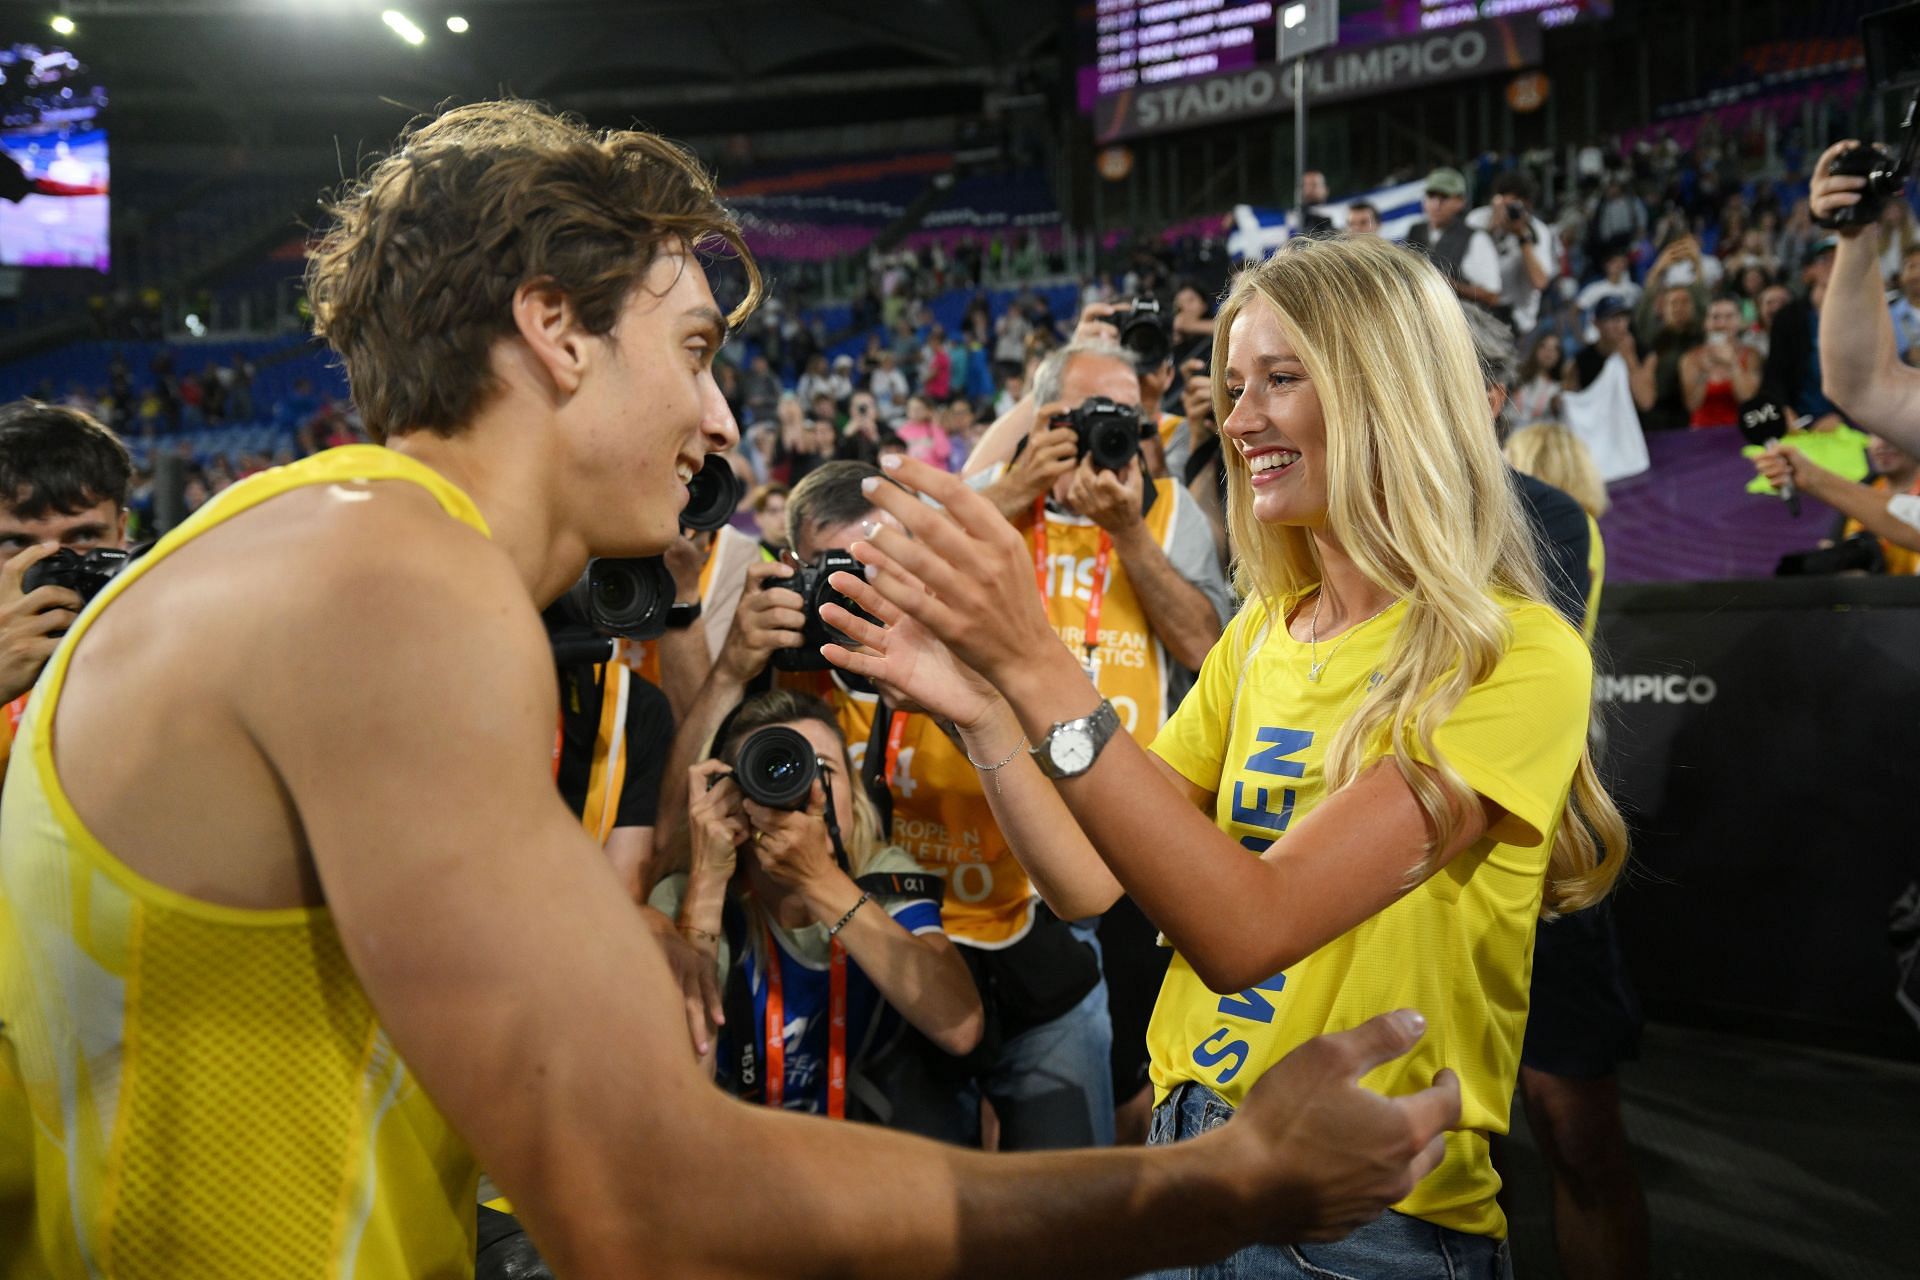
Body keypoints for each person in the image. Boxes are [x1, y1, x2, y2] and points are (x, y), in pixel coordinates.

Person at [0, 100, 1463, 1280]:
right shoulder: (392, 587)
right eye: (694, 349)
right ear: (556, 328)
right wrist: (1215, 1188)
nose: (715, 419)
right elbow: (649, 1207)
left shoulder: (310, 552)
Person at [826, 234, 1629, 1279]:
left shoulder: (1517, 657)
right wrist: (982, 711)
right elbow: (1088, 878)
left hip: (1362, 1224)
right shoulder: (1264, 633)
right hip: (1193, 1163)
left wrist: (1033, 660)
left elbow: (1248, 928)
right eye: (1234, 382)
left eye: (1281, 380)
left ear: (1388, 391)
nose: (1240, 419)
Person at [659, 689, 984, 1114]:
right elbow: (676, 1088)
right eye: (770, 771)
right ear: (729, 798)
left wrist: (818, 880)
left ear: (856, 795)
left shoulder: (883, 877)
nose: (799, 787)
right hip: (732, 1136)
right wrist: (707, 883)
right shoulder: (687, 893)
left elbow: (960, 1026)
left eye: (823, 770)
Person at [0, 402, 132, 748]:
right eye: (15, 542)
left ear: (121, 533)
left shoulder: (178, 640)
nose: (52, 565)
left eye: (84, 537)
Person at [1467, 172, 1559, 335]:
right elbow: (1464, 266)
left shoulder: (1537, 231)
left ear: (1528, 207)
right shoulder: (1477, 219)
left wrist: (1521, 236)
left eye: (1514, 207)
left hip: (1518, 320)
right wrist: (1491, 229)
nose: (1509, 212)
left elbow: (1540, 282)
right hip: (1479, 315)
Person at [1406, 167, 1503, 315]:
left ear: (1461, 202)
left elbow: (1492, 296)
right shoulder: (1415, 230)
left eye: (1444, 197)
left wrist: (1449, 284)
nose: (1436, 204)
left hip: (1462, 323)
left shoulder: (1476, 238)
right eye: (1431, 196)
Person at [1680, 296, 1763, 428]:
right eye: (1715, 317)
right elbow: (1692, 405)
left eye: (1729, 317)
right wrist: (1705, 372)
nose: (1721, 324)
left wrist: (1733, 364)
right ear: (1705, 323)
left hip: (1741, 428)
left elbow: (1748, 400)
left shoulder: (1751, 355)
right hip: (1703, 430)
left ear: (1739, 321)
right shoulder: (1691, 358)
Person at [1511, 332, 1566, 428]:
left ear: (1559, 355)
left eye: (1555, 349)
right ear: (1536, 349)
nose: (1548, 351)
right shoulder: (1516, 375)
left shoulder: (1557, 389)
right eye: (1544, 346)